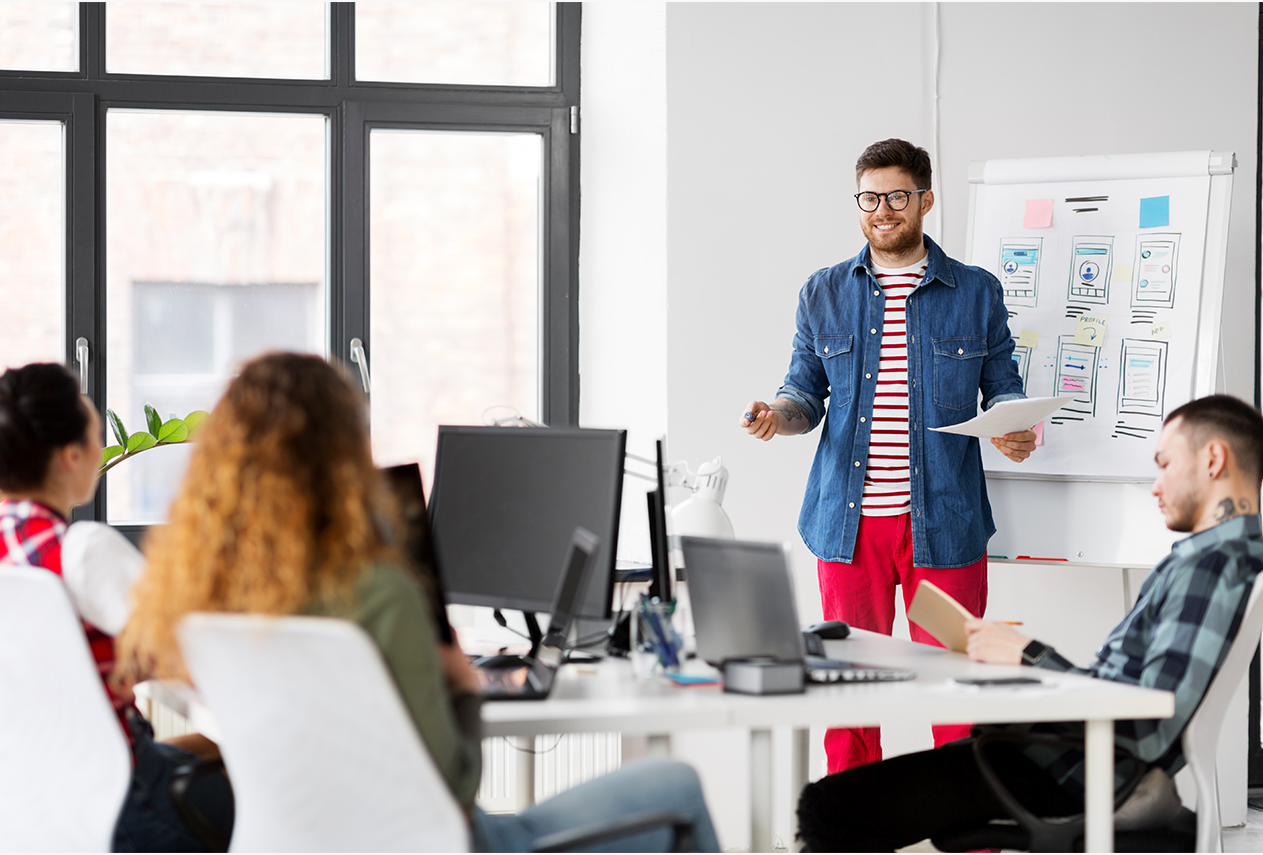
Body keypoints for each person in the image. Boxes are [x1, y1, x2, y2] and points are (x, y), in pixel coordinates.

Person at [116, 352, 720, 853]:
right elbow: (454, 783)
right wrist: (459, 682)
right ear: (343, 460)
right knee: (677, 784)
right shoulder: (379, 592)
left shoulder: (205, 606)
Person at [796, 393, 1263, 852]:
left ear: (1214, 460)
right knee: (850, 802)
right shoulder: (1220, 558)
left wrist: (1030, 656)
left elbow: (1147, 724)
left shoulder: (1212, 566)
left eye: (1164, 464)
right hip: (1067, 756)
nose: (1155, 485)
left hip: (1074, 770)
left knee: (829, 809)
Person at [740, 138, 1036, 772]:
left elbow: (1005, 389)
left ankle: (967, 840)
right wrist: (777, 417)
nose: (882, 210)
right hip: (848, 532)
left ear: (926, 200)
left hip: (947, 526)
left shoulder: (976, 292)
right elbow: (803, 395)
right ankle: (852, 835)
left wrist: (1015, 431)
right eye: (869, 197)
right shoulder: (823, 292)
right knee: (850, 701)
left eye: (897, 196)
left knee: (960, 695)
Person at [0, 362, 232, 852]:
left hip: (34, 810)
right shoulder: (80, 552)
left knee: (206, 750)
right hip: (128, 810)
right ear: (70, 457)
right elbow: (195, 662)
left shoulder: (13, 551)